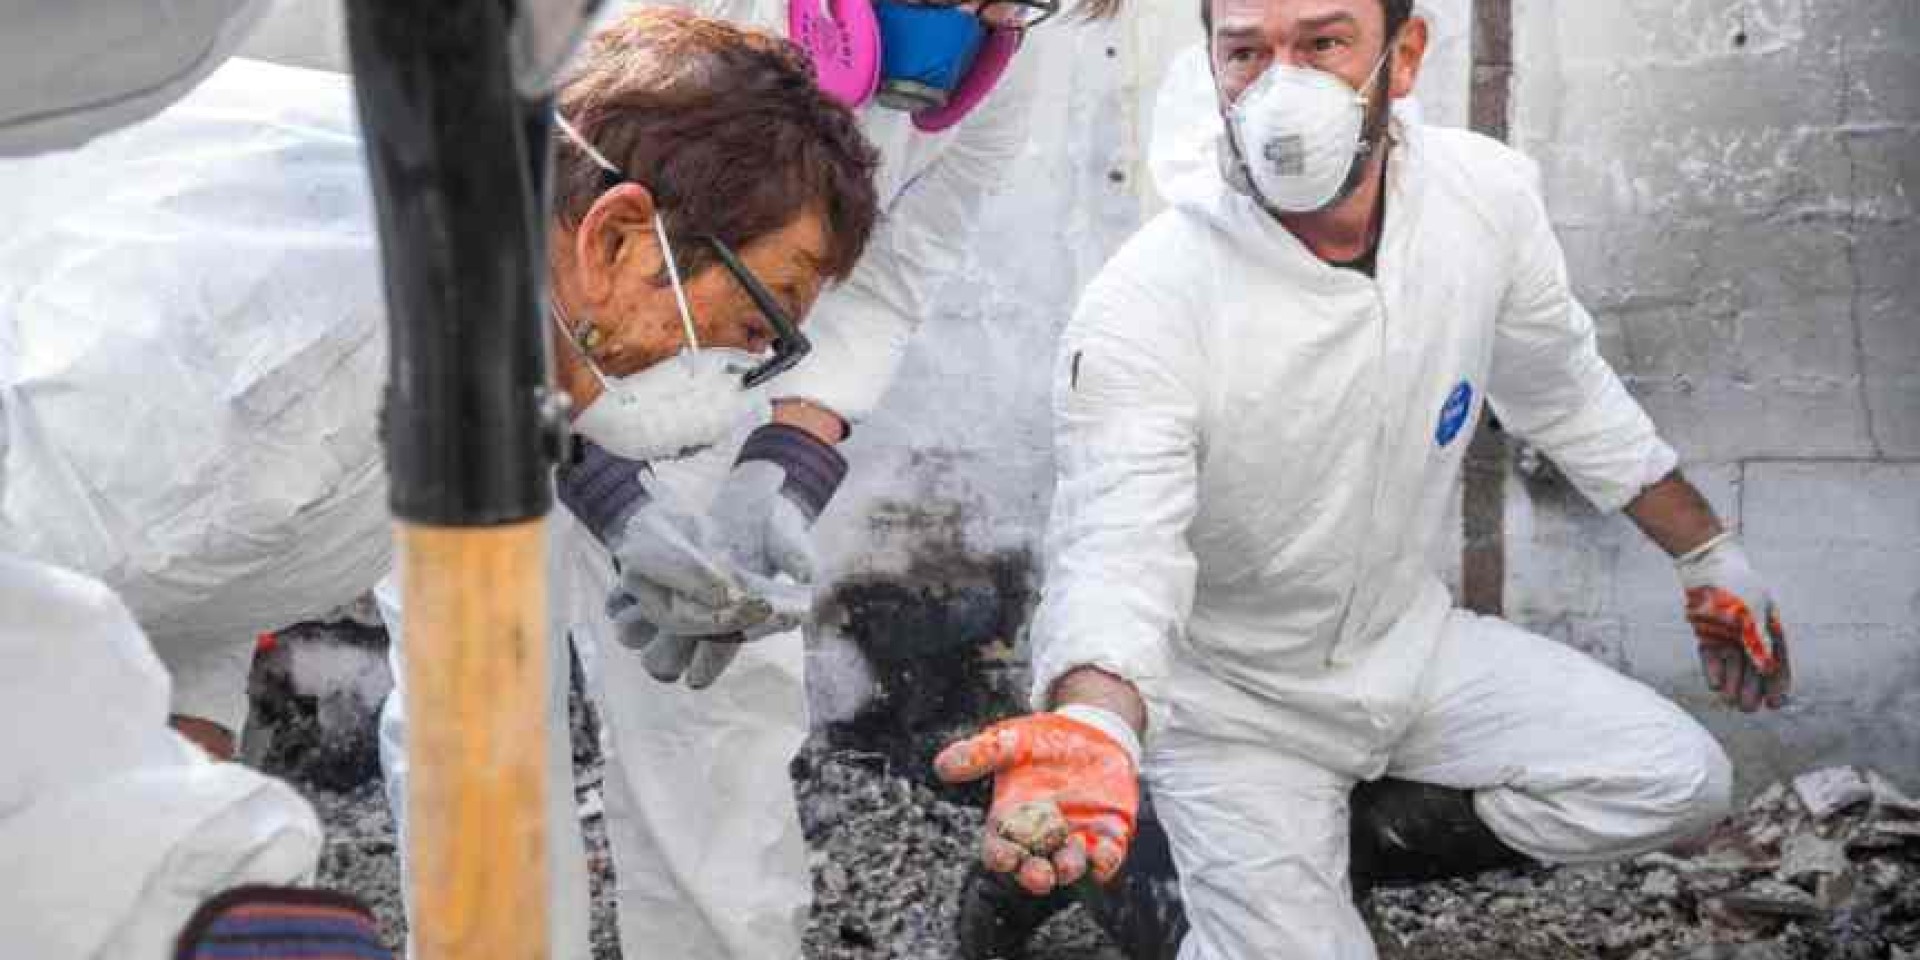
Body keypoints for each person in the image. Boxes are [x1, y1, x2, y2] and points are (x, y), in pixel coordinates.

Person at [935, 2, 1794, 958]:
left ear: (1406, 54)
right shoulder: (1149, 302)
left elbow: (1565, 389)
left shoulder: (1483, 204)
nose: (1282, 88)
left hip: (1405, 650)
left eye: (1324, 43)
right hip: (1233, 710)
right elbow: (1115, 547)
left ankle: (1286, 856)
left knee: (1676, 780)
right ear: (1212, 64)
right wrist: (1094, 726)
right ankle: (1154, 868)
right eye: (1248, 52)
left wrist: (1708, 554)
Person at [376, 2, 1122, 958]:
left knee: (717, 735)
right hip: (484, 351)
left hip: (723, 372)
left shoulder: (1021, 57)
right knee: (476, 716)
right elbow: (502, 237)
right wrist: (608, 491)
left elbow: (897, 268)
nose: (986, 21)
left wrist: (779, 475)